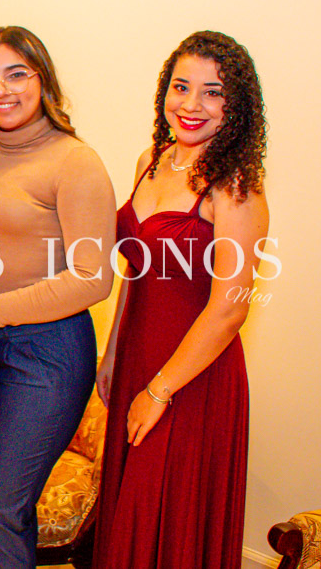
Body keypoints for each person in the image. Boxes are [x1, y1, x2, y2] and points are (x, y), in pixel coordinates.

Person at [93, 31, 269, 568]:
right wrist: (113, 352)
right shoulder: (152, 160)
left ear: (236, 106)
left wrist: (159, 390)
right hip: (138, 360)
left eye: (213, 92)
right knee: (129, 519)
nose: (191, 104)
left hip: (192, 378)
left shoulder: (235, 185)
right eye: (181, 86)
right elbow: (135, 270)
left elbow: (229, 309)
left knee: (164, 522)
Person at [0, 26, 116, 568]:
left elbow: (93, 278)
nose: (2, 89)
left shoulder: (74, 161)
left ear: (43, 79)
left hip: (45, 352)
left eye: (17, 74)